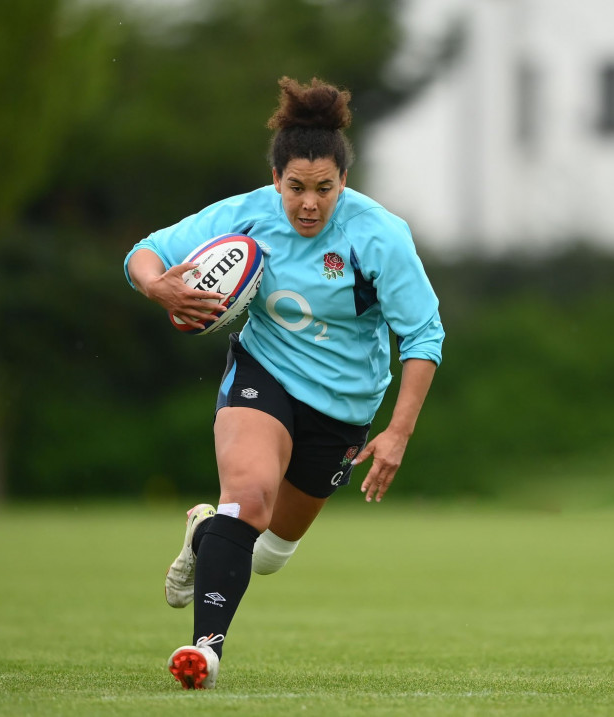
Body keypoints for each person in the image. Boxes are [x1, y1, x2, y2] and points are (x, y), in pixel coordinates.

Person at [124, 76, 444, 690]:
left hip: (345, 406)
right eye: (296, 187)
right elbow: (146, 251)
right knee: (249, 497)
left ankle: (207, 531)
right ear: (276, 180)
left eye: (324, 189)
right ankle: (204, 652)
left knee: (271, 550)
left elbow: (424, 338)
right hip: (264, 373)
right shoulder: (246, 215)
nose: (308, 204)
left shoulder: (379, 236)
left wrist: (398, 432)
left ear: (343, 183)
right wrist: (157, 284)